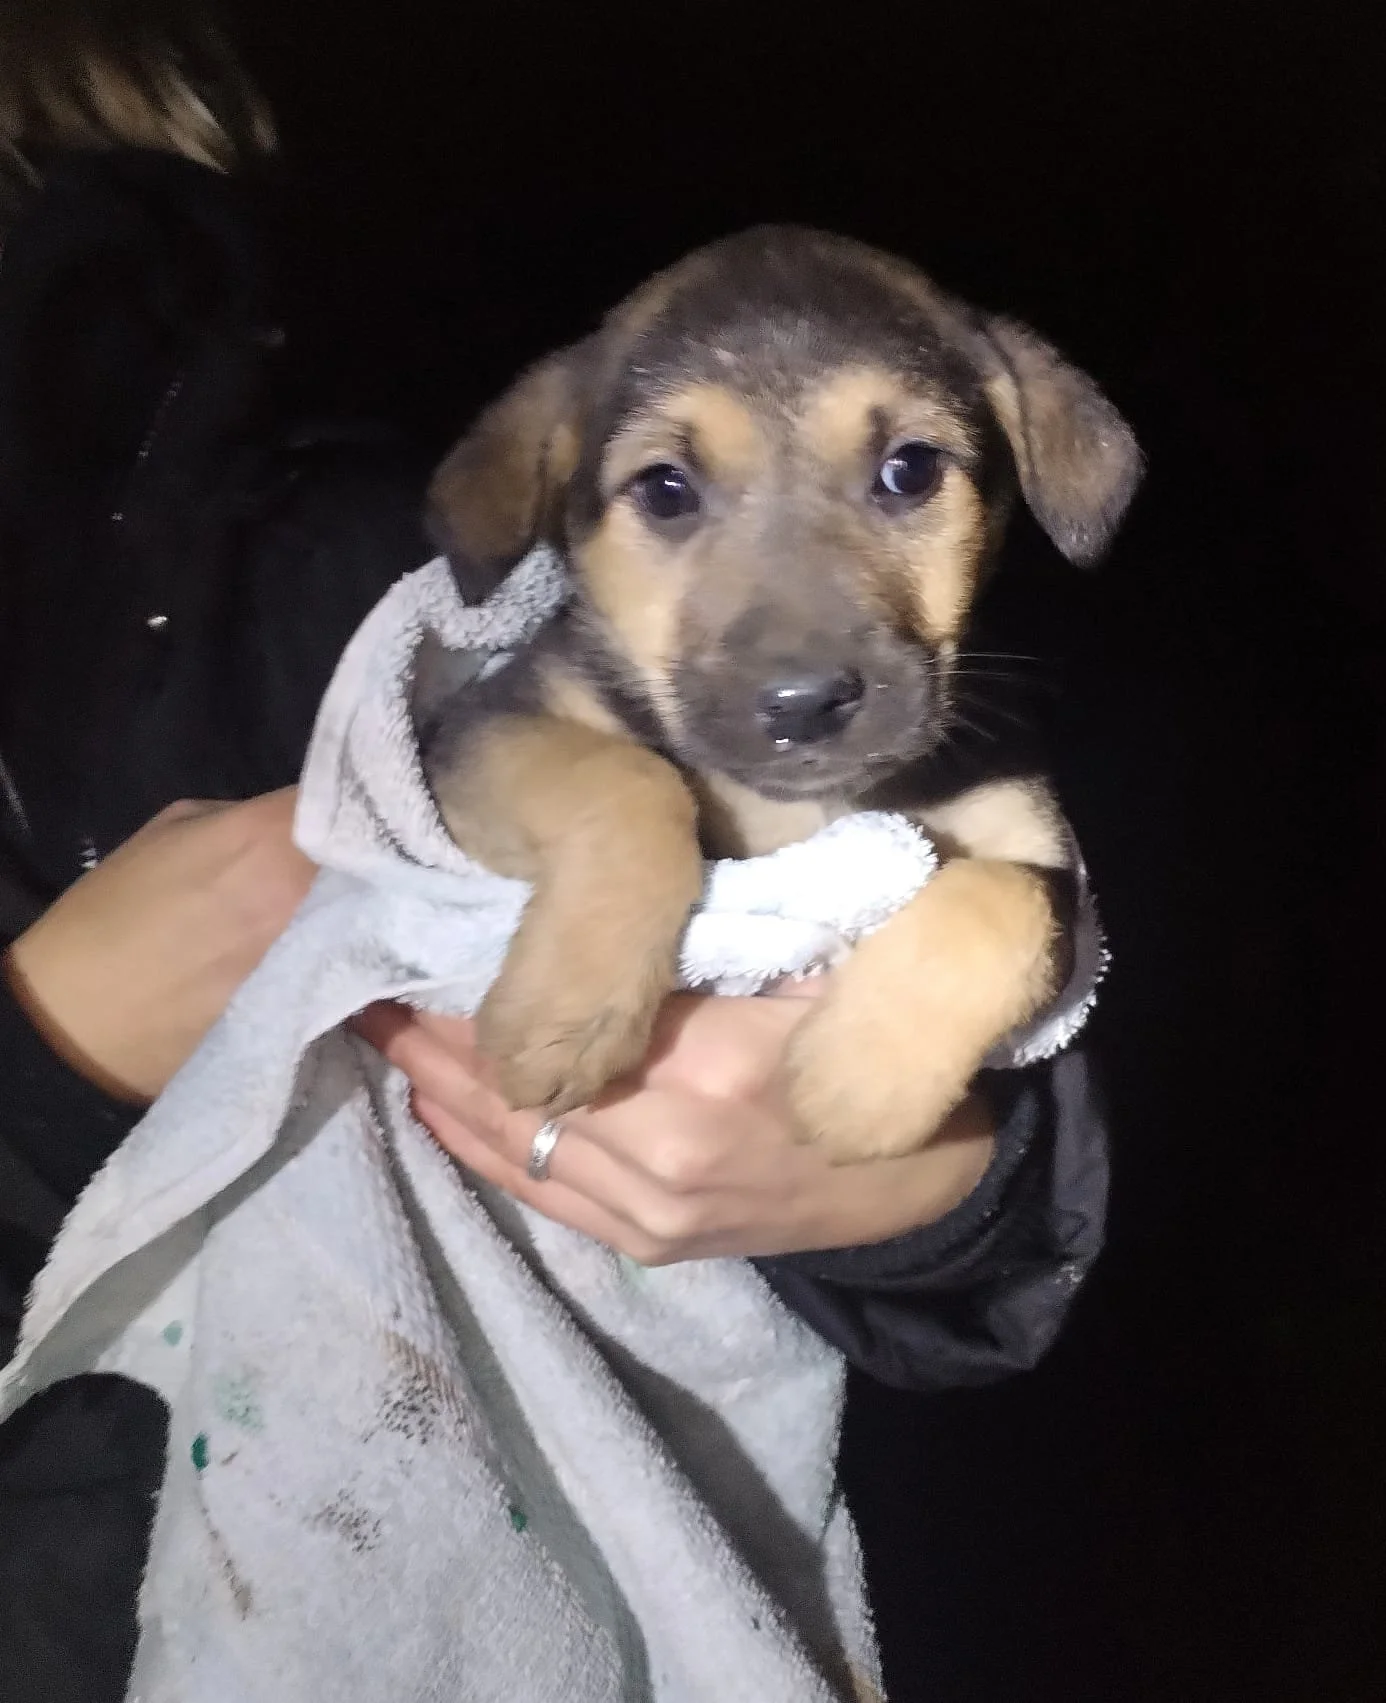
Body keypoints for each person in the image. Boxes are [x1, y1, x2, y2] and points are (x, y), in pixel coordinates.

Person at [0, 6, 1109, 1700]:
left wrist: (948, 1186)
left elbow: (1028, 956)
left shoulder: (322, 503)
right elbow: (492, 751)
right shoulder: (481, 603)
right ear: (572, 497)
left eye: (903, 472)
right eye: (671, 489)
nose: (803, 637)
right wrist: (38, 1068)